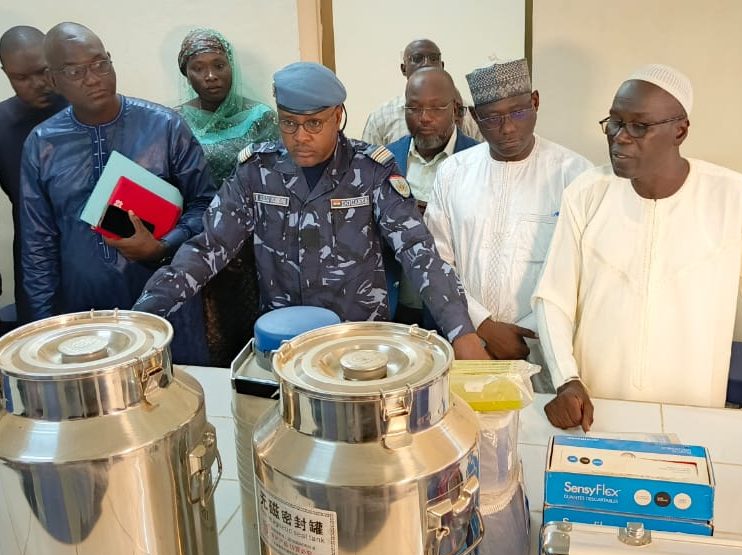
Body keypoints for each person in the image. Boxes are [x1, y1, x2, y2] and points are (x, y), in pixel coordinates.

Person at [533, 63, 742, 430]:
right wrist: (566, 378)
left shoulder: (734, 198)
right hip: (596, 411)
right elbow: (554, 298)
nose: (620, 137)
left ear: (680, 130)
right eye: (614, 122)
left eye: (639, 126)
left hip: (690, 418)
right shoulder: (587, 192)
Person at [133, 62, 489, 360]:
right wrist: (146, 315)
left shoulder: (371, 171)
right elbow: (208, 247)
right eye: (289, 122)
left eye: (314, 123)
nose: (300, 136)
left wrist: (461, 331)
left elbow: (417, 251)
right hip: (285, 342)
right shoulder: (258, 173)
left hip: (358, 343)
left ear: (338, 116)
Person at [19, 22, 215, 364]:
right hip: (86, 313)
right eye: (75, 71)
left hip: (167, 300)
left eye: (99, 64)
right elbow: (38, 246)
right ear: (53, 79)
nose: (93, 78)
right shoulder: (42, 144)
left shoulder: (165, 126)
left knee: (174, 400)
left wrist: (161, 247)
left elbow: (207, 206)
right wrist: (44, 330)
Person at [424, 58, 592, 391]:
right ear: (473, 116)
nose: (508, 128)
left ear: (536, 102)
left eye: (518, 112)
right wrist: (483, 325)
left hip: (545, 352)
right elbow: (436, 263)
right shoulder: (454, 173)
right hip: (472, 347)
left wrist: (529, 334)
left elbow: (582, 275)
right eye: (492, 117)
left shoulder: (575, 176)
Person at [176, 28, 278, 366]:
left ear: (232, 67)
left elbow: (278, 184)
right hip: (200, 241)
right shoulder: (174, 122)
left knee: (260, 339)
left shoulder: (261, 118)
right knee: (210, 338)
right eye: (198, 67)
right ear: (185, 73)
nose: (210, 76)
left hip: (256, 246)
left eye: (219, 65)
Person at [385, 67, 479, 325]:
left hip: (461, 313)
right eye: (413, 108)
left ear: (456, 109)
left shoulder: (480, 161)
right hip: (398, 306)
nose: (424, 118)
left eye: (436, 108)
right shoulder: (384, 160)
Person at [0, 26, 67, 328]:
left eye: (42, 71)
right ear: (5, 72)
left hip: (97, 253)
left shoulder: (87, 108)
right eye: (22, 78)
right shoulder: (1, 124)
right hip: (33, 257)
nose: (38, 84)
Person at [361, 38, 481, 146]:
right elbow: (367, 165)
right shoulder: (381, 116)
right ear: (403, 68)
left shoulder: (465, 111)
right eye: (417, 59)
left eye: (434, 58)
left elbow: (482, 155)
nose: (426, 63)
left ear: (442, 65)